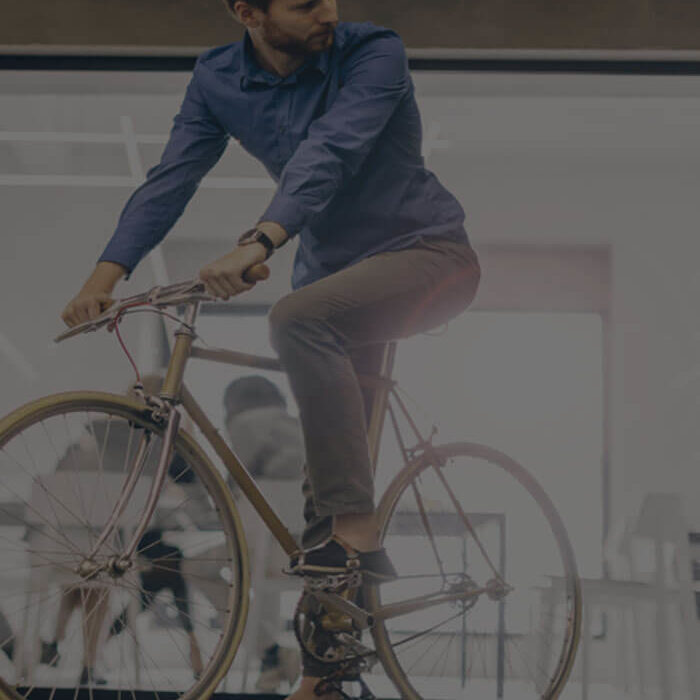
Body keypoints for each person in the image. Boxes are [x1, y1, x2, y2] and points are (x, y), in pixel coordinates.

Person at [61, 2, 481, 696]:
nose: (329, 10)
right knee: (321, 484)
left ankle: (358, 532)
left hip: (428, 257)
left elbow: (331, 150)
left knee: (295, 321)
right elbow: (171, 177)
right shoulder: (217, 78)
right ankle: (324, 679)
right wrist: (103, 279)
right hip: (336, 283)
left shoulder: (373, 52)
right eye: (305, 1)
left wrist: (260, 240)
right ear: (247, 11)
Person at [223, 375, 304, 692]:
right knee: (255, 573)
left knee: (196, 568)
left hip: (264, 552)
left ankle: (270, 653)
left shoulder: (242, 426)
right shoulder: (300, 427)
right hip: (310, 556)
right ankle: (272, 661)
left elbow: (229, 492)